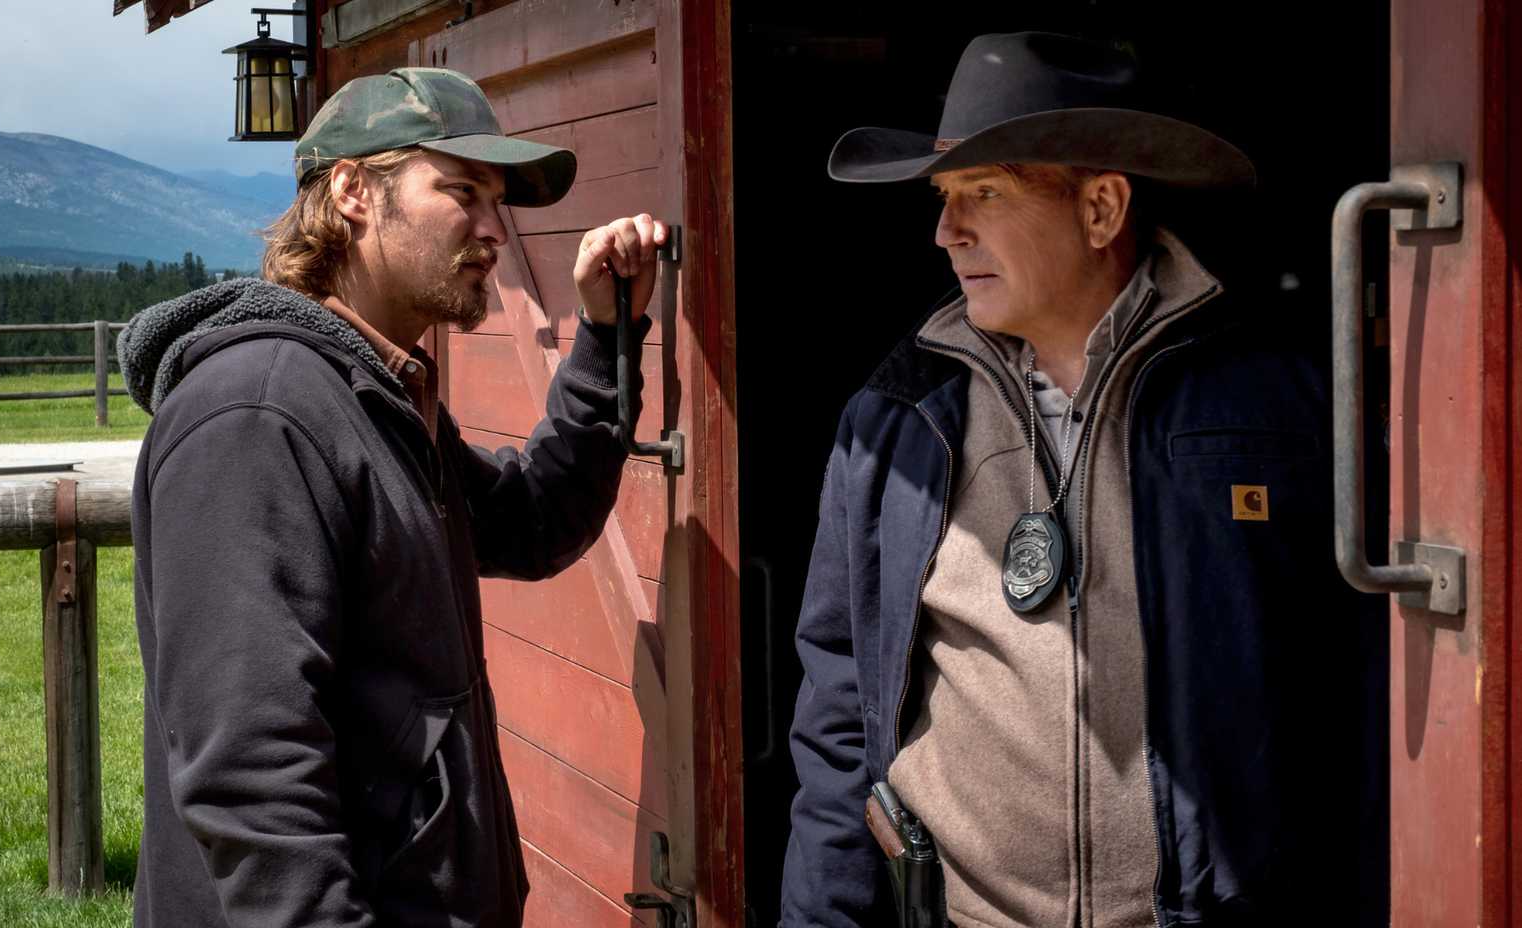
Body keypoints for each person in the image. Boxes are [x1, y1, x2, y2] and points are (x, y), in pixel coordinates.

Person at [780, 31, 1382, 927]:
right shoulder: (898, 420)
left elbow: (1362, 690)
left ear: (1101, 209)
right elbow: (837, 712)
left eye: (984, 192)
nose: (945, 231)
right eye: (946, 198)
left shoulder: (1279, 408)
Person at [116, 67, 667, 927]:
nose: (494, 229)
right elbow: (255, 788)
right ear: (351, 192)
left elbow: (531, 522)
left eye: (498, 201)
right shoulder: (258, 414)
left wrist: (602, 338)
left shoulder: (371, 395)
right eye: (462, 191)